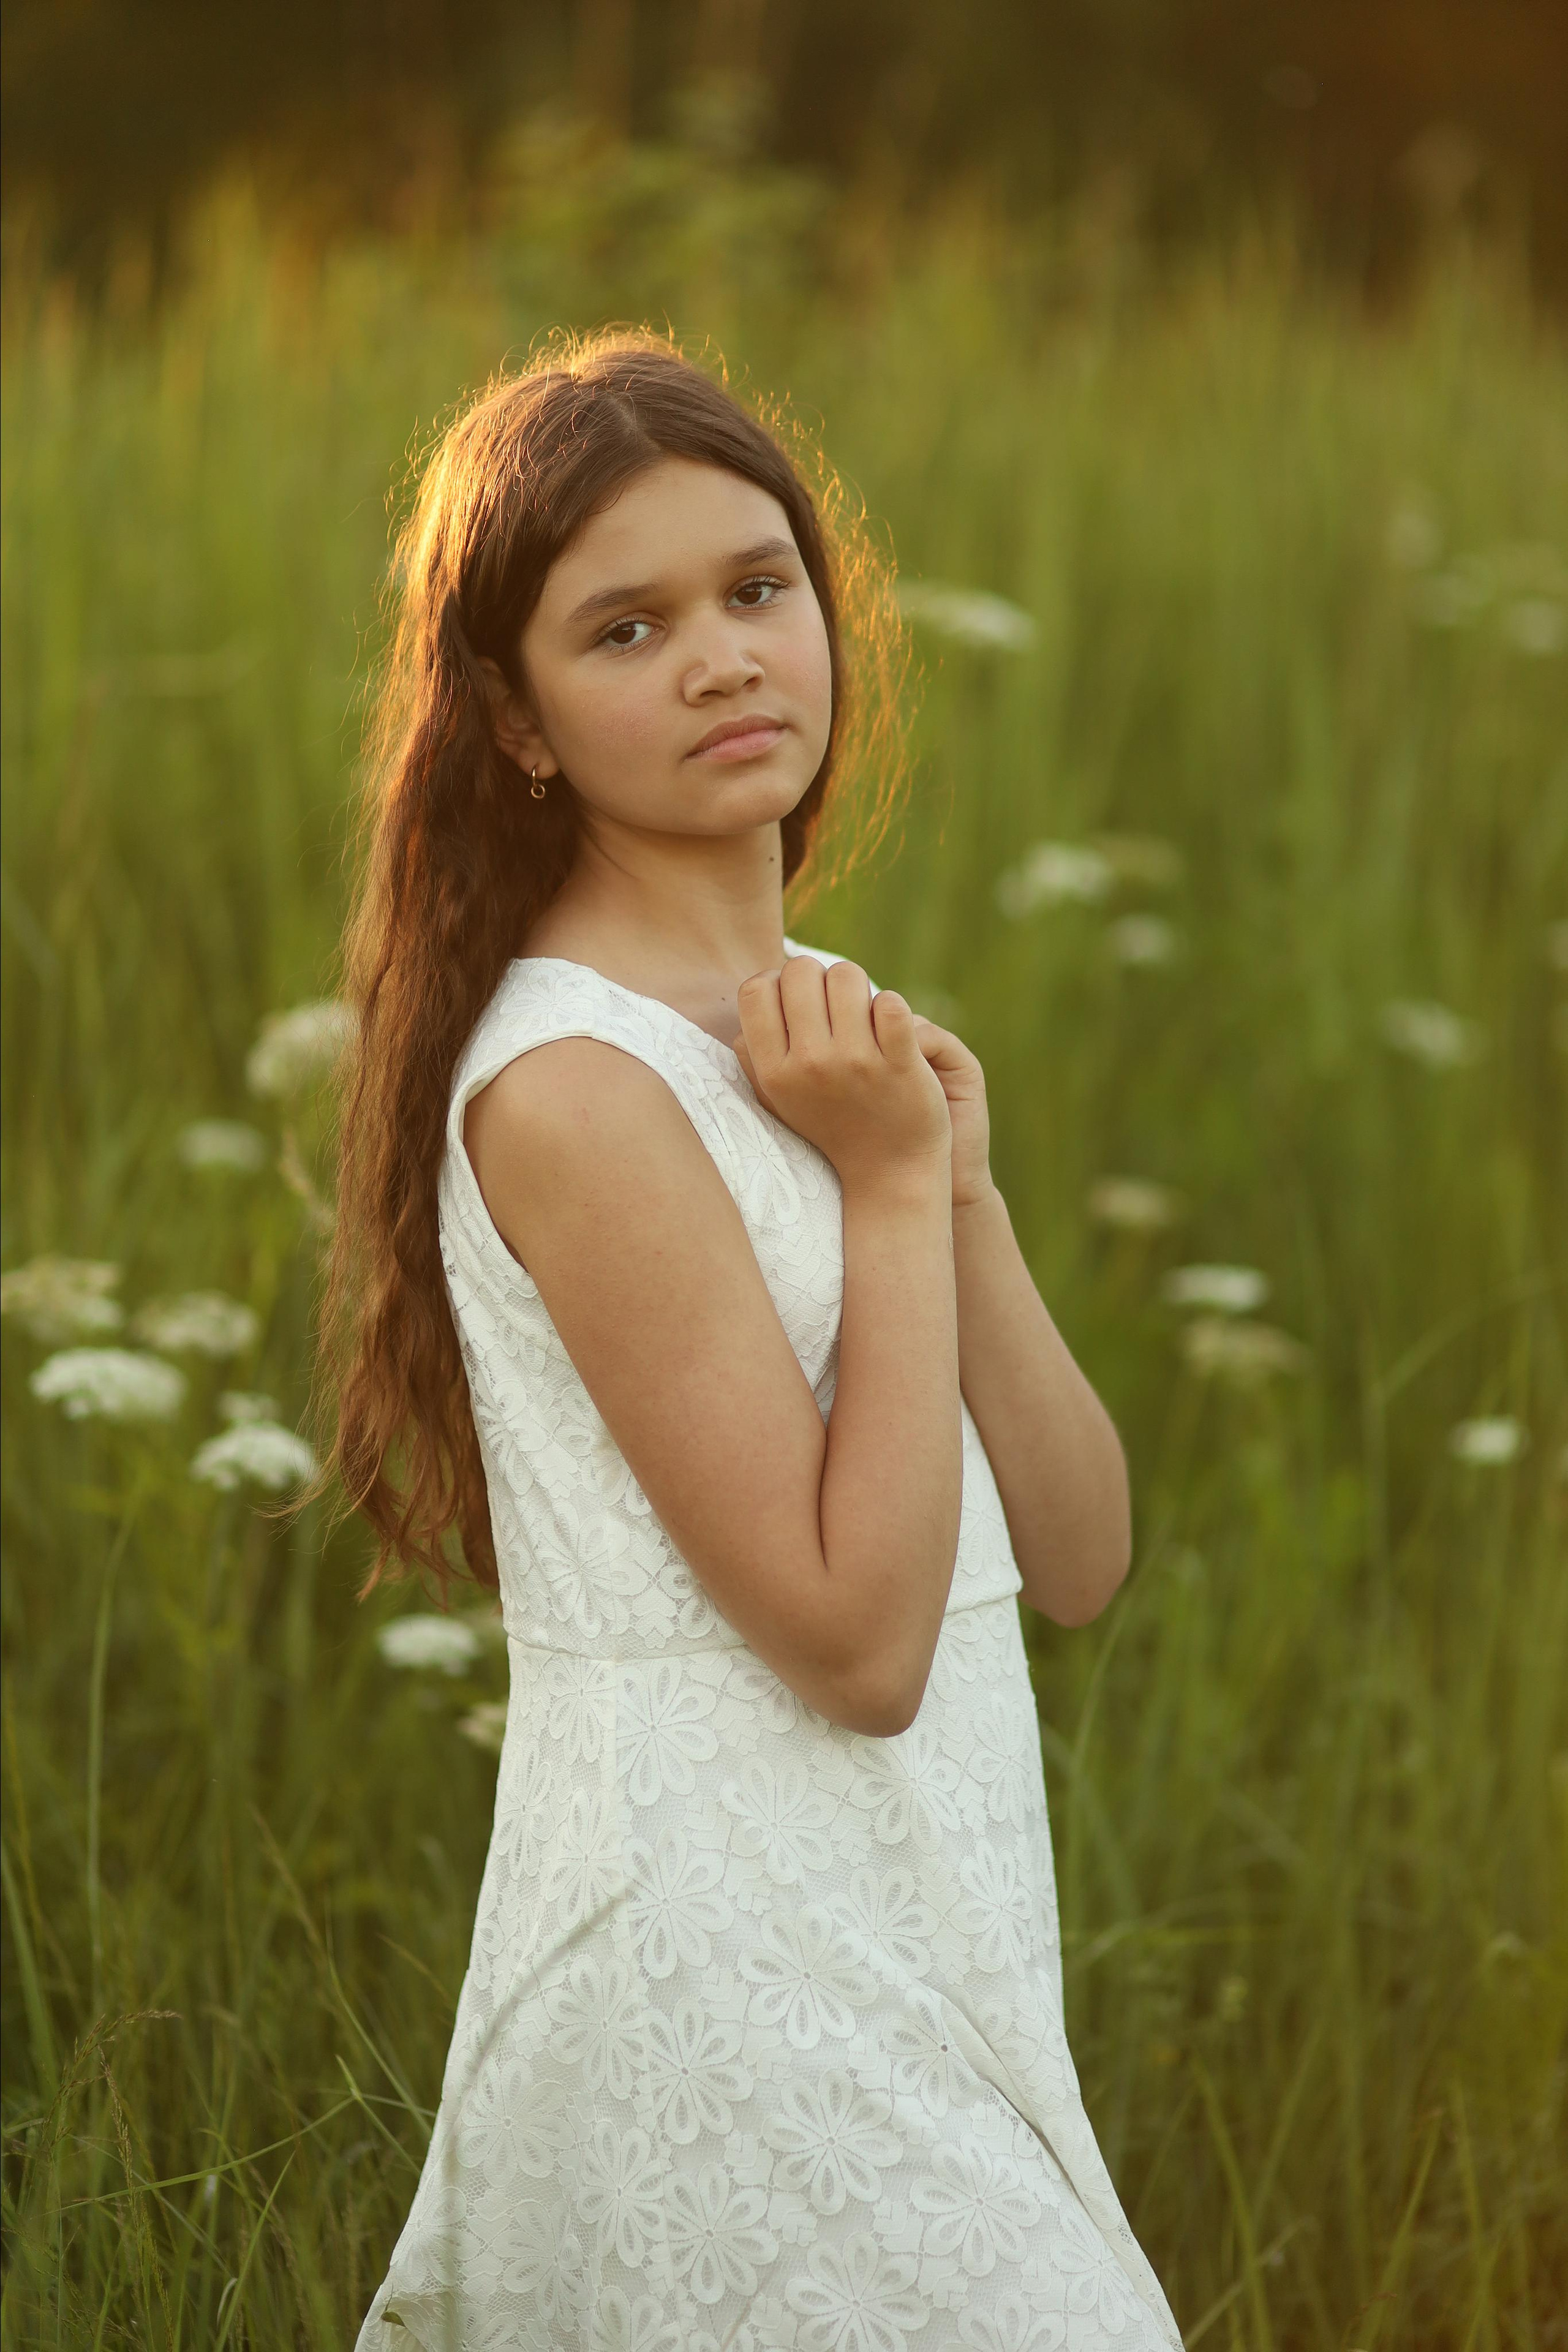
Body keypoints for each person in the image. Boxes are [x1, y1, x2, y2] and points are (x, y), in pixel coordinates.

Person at [328, 332, 1182, 2351]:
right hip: (737, 1962)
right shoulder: (575, 1094)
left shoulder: (828, 1034)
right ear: (516, 724)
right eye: (625, 628)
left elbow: (1076, 1558)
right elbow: (857, 1646)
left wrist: (949, 1188)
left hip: (939, 1941)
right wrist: (884, 1194)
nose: (720, 657)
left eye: (756, 588)